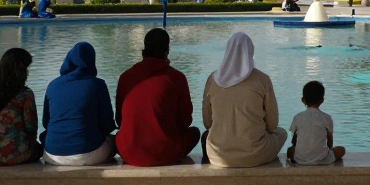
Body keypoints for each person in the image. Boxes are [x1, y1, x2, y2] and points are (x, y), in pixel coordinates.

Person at [115, 29, 201, 166]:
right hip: (165, 153)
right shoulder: (176, 78)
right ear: (166, 51)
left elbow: (120, 121)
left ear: (144, 49)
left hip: (129, 152)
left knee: (117, 137)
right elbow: (185, 121)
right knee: (195, 133)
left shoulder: (126, 77)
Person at [202, 32, 287, 167]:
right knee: (282, 133)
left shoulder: (212, 79)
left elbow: (207, 123)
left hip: (217, 155)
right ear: (250, 51)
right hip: (255, 154)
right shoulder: (262, 79)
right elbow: (272, 125)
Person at [42, 42, 117, 165]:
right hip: (89, 152)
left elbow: (46, 122)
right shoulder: (97, 84)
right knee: (115, 141)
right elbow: (107, 124)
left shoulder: (53, 85)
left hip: (52, 154)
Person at [286, 80, 346, 165]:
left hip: (300, 159)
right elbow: (330, 141)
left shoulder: (298, 117)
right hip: (322, 159)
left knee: (290, 150)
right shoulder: (327, 118)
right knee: (341, 149)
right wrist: (329, 151)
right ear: (322, 100)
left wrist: (295, 147)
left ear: (303, 100)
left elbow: (294, 140)